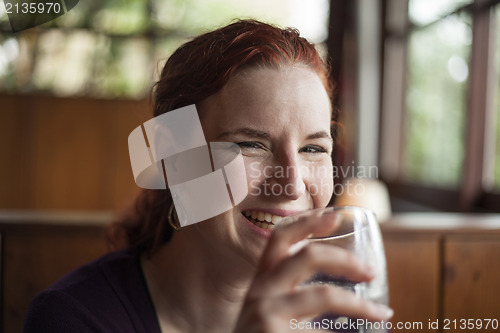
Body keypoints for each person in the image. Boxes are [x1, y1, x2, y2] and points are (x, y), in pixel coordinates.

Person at [24, 19, 393, 332]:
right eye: (251, 144)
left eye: (313, 149)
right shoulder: (74, 318)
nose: (292, 184)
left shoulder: (342, 306)